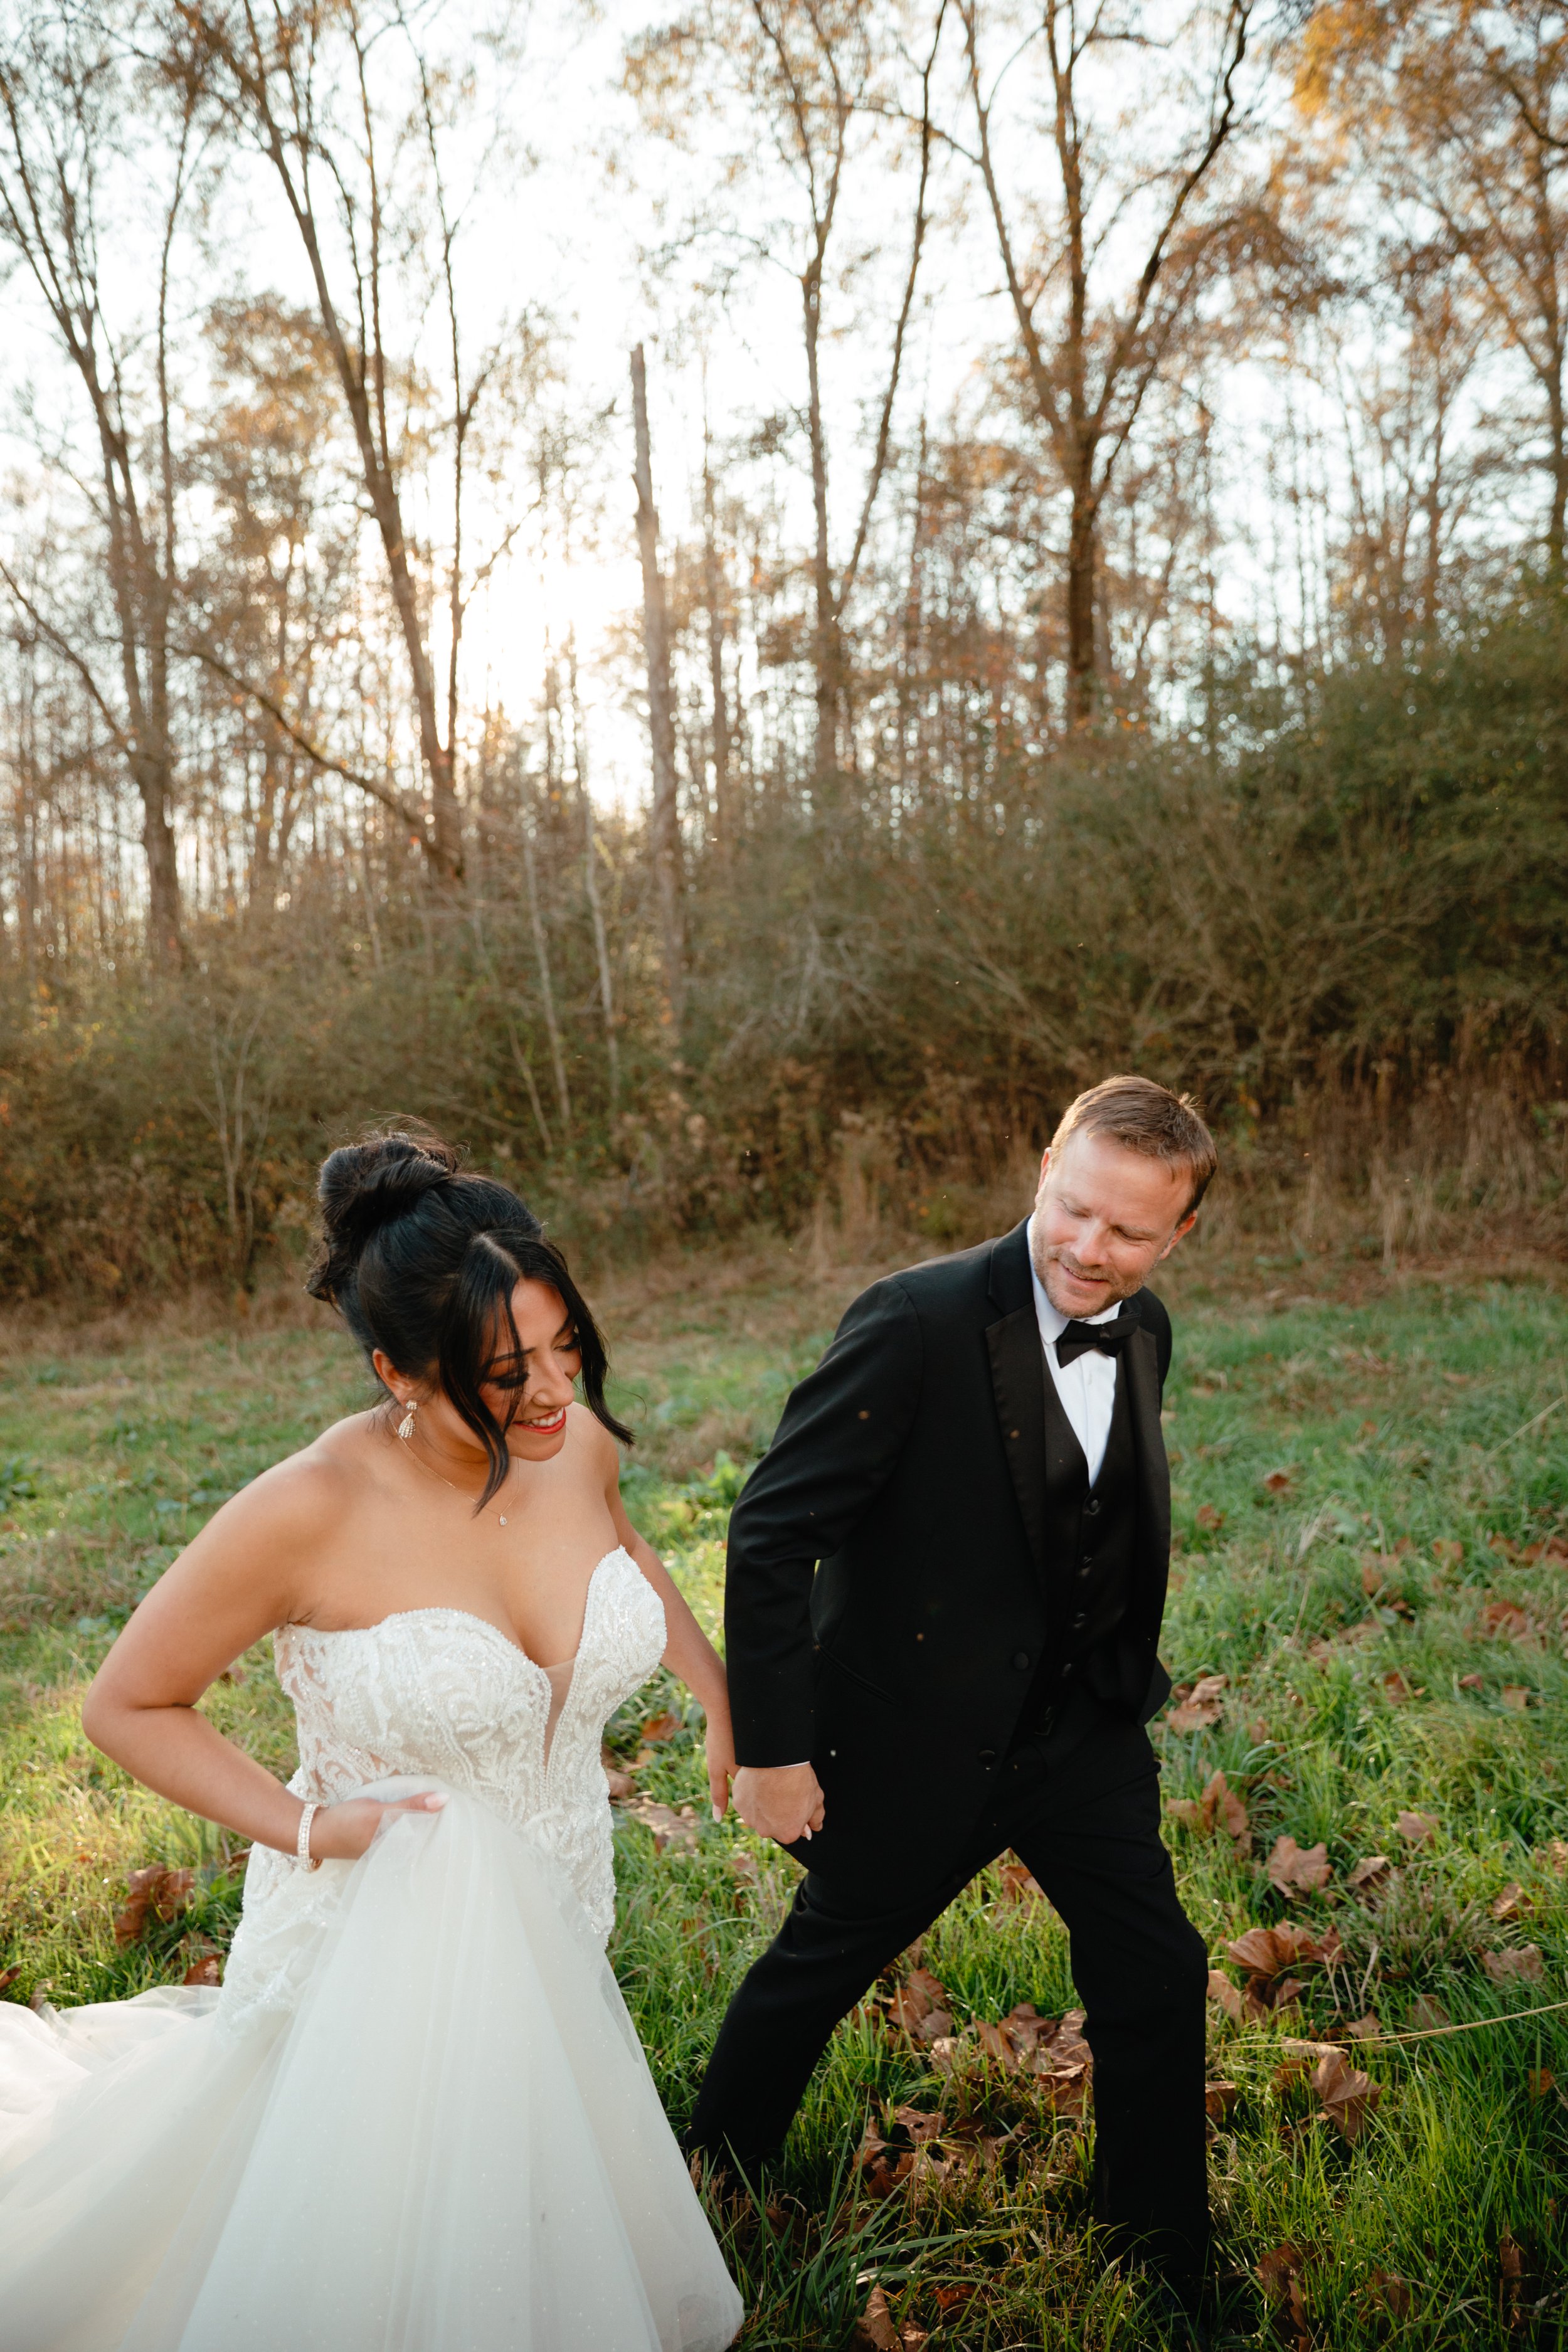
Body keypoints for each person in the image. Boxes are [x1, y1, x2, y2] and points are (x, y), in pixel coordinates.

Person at [0, 1129, 744, 2352]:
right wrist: (304, 1826)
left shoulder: (576, 1444)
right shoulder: (308, 1510)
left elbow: (628, 1557)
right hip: (370, 1940)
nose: (555, 1392)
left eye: (568, 1347)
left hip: (564, 1888)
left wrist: (719, 1699)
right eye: (507, 1374)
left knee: (518, 2161)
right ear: (400, 1373)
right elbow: (125, 1704)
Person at [687, 1075, 1217, 2304]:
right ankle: (708, 2185)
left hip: (1078, 1732)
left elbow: (1101, 1509)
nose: (1089, 1249)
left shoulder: (1143, 1331)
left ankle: (1159, 2252)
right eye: (1072, 1210)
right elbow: (771, 1533)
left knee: (1156, 1974)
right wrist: (772, 1750)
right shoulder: (915, 1321)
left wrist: (1118, 1673)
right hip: (917, 1736)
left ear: (1178, 1233)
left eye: (1128, 1232)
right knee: (817, 1968)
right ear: (1043, 1170)